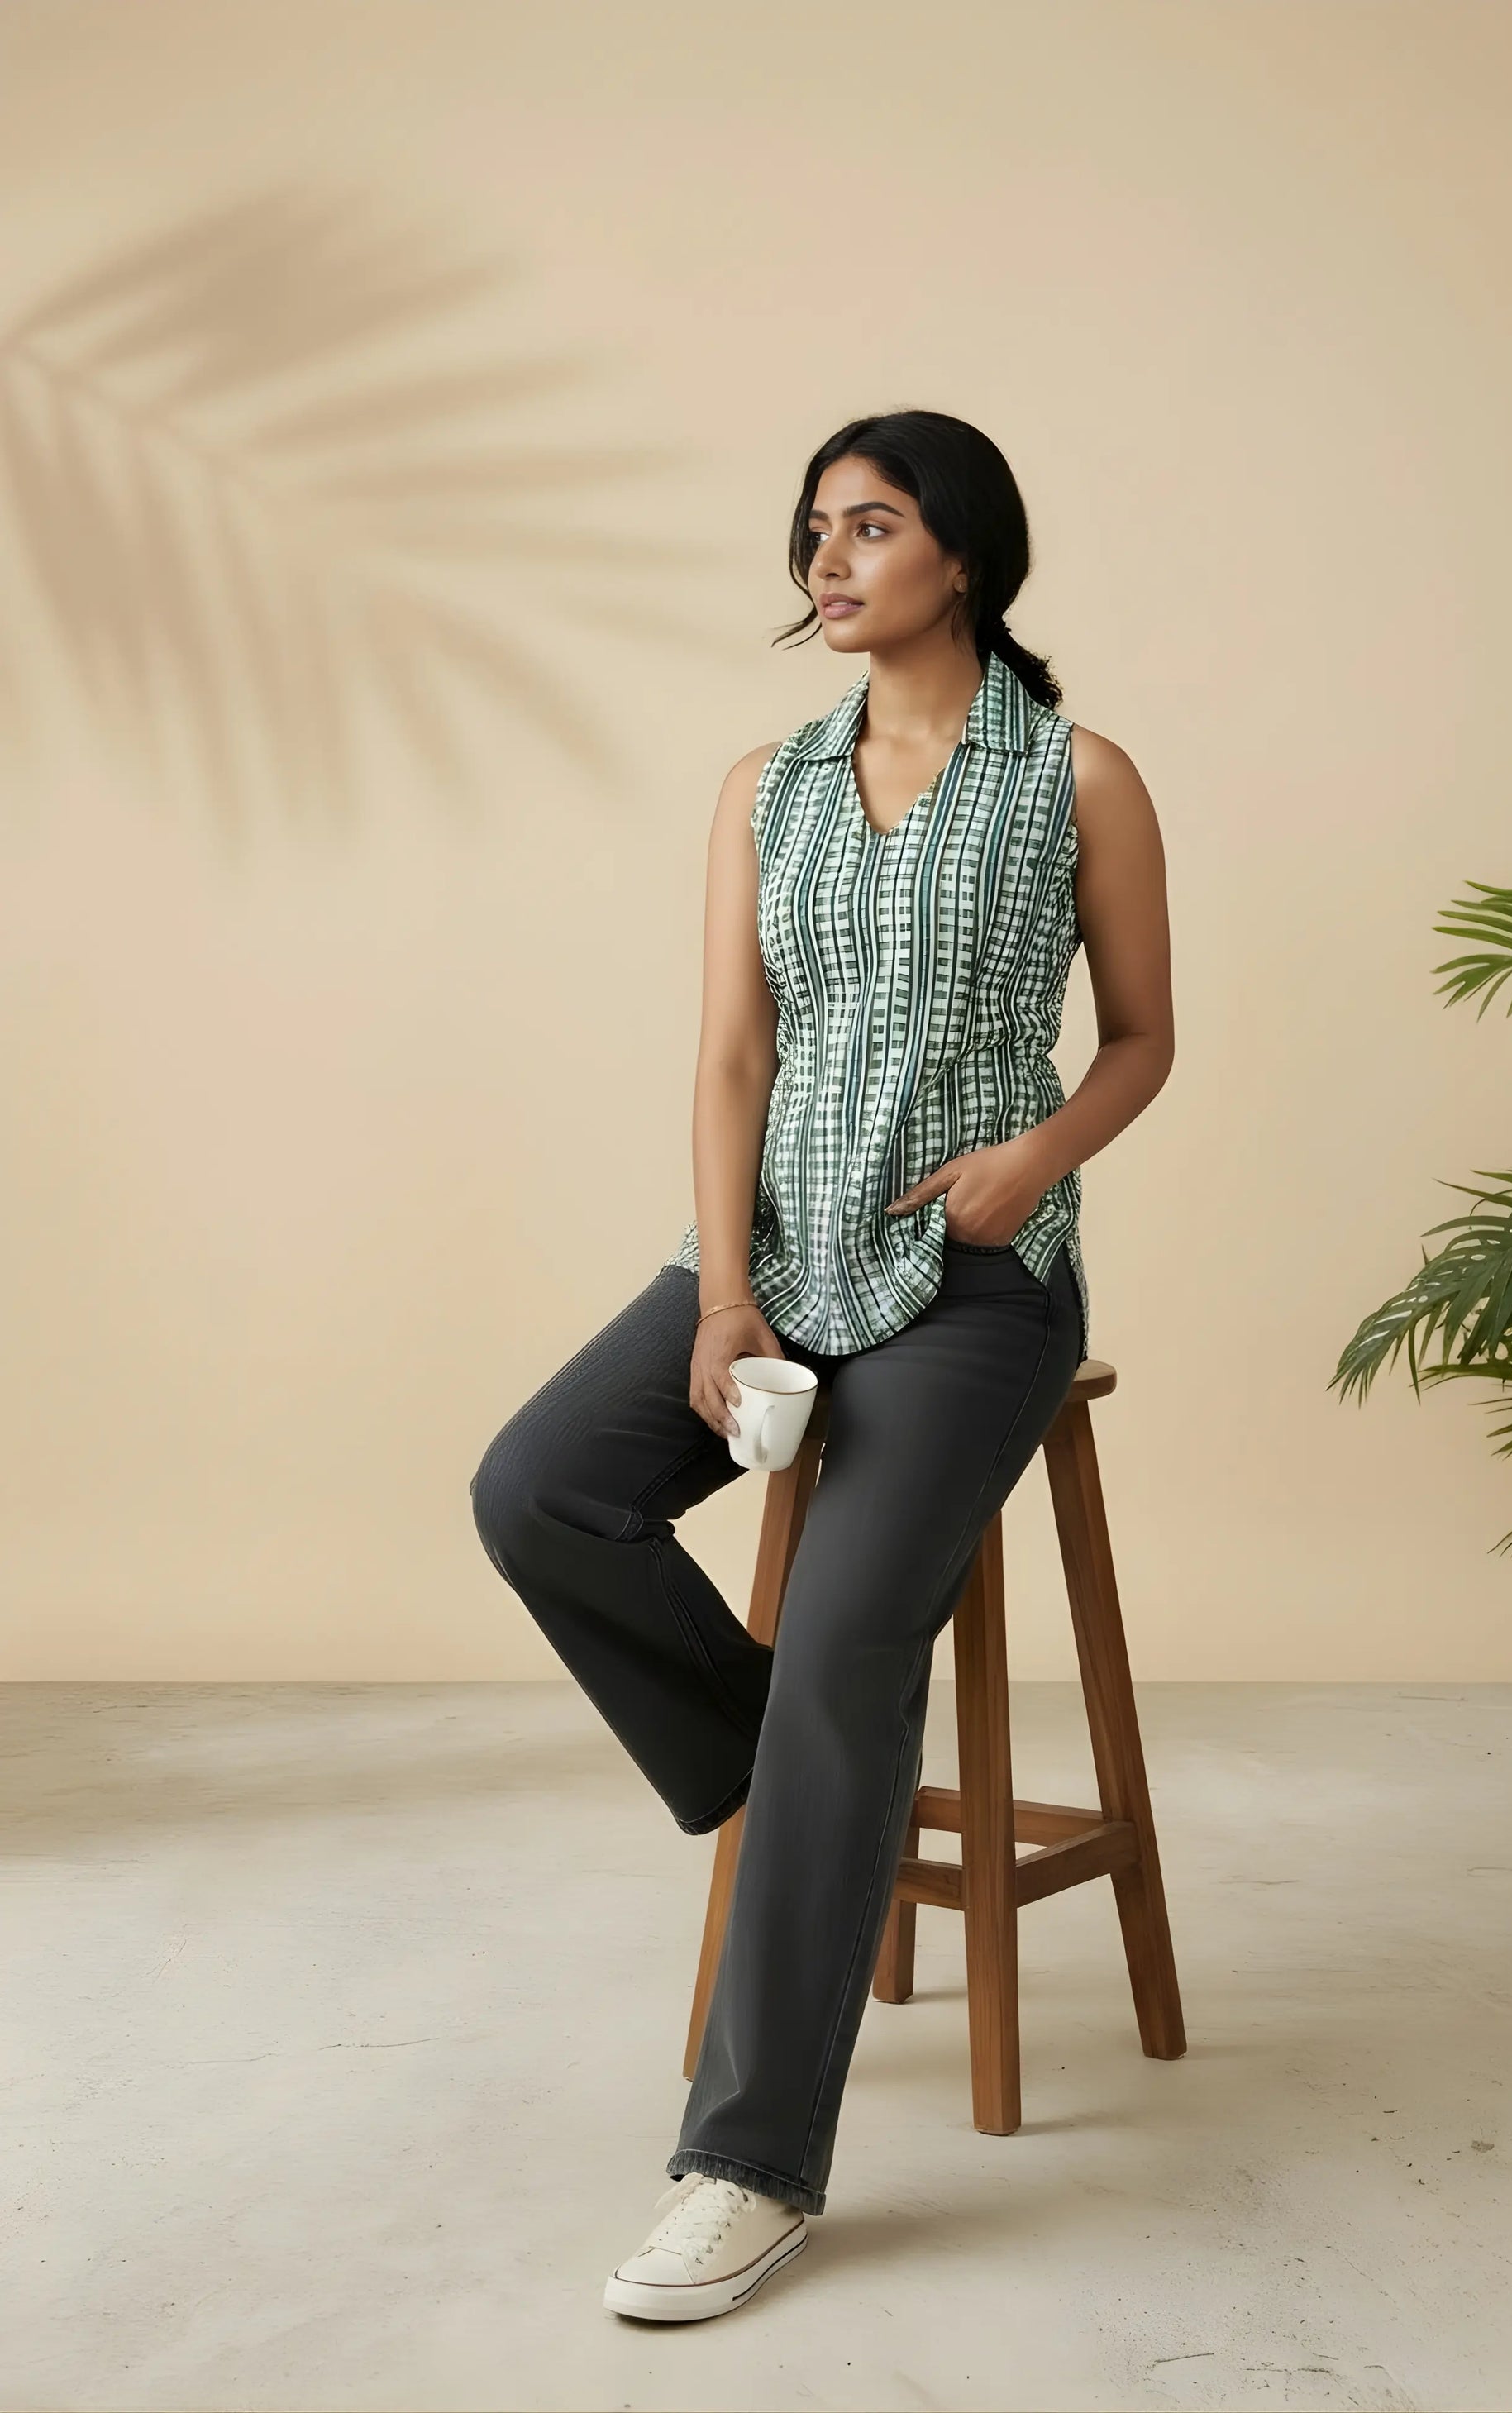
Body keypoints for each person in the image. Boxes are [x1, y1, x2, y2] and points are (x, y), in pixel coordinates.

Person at [469, 409, 1174, 2320]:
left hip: (978, 1282)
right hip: (769, 1257)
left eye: (870, 525)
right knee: (537, 1491)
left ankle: (747, 2164)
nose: (829, 561)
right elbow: (726, 1058)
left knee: (853, 1654)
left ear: (966, 550)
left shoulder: (1077, 775)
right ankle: (800, 1787)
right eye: (812, 533)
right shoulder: (763, 788)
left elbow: (1138, 1037)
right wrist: (716, 1301)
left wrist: (1037, 1156)